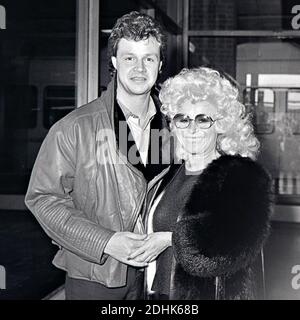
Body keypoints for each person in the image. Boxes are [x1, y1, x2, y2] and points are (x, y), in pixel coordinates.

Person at [25, 11, 171, 300]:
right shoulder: (75, 128)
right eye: (129, 58)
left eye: (149, 58)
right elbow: (42, 198)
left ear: (160, 64)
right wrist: (106, 242)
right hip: (96, 275)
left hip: (155, 274)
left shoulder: (170, 126)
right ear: (115, 62)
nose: (139, 68)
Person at [129, 67, 273, 300]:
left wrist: (168, 239)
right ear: (173, 125)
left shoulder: (242, 176)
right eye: (183, 119)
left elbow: (225, 247)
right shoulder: (169, 174)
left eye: (203, 119)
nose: (192, 128)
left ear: (221, 125)